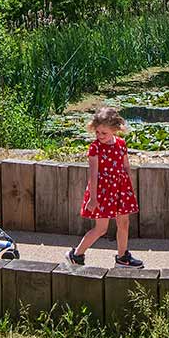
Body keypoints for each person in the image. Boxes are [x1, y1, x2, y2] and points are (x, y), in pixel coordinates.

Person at [68, 106, 143, 268]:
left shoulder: (121, 144)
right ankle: (76, 254)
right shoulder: (95, 148)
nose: (100, 136)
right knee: (101, 228)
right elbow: (93, 175)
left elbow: (126, 167)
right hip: (102, 192)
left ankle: (122, 257)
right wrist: (93, 198)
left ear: (115, 130)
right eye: (97, 132)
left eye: (104, 133)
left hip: (121, 189)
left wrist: (129, 189)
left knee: (124, 223)